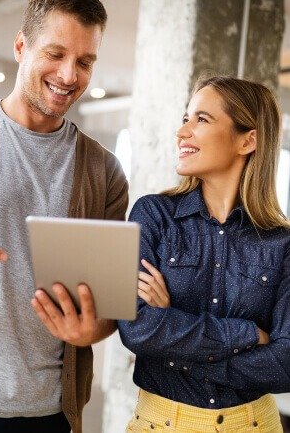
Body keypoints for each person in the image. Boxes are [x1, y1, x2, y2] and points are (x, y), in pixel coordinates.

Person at [0, 0, 128, 433]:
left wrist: (91, 332)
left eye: (85, 62)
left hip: (47, 413)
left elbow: (107, 309)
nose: (69, 75)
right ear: (21, 46)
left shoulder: (105, 171)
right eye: (56, 54)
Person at [118, 75, 290, 432]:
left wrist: (173, 341)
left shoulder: (282, 243)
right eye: (185, 119)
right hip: (160, 424)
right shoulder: (153, 216)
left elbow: (285, 364)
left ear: (248, 140)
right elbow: (137, 329)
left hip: (255, 425)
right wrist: (246, 335)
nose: (182, 133)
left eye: (202, 119)